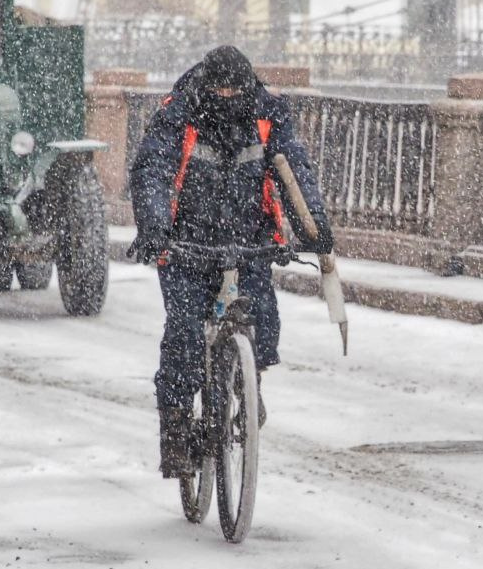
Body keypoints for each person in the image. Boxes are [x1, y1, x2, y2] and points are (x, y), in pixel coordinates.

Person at [128, 45, 333, 478]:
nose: (227, 97)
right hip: (186, 243)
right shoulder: (178, 113)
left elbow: (295, 172)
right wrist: (154, 227)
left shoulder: (267, 113)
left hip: (249, 238)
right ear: (206, 84)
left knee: (264, 320)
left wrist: (315, 228)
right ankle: (177, 429)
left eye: (234, 89)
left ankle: (248, 382)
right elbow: (153, 169)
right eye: (219, 89)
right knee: (184, 331)